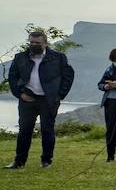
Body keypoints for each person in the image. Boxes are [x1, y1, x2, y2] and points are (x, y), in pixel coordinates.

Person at [6, 29, 75, 169]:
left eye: (37, 42)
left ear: (45, 43)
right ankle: (19, 161)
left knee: (47, 130)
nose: (33, 45)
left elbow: (68, 76)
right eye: (31, 42)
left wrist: (59, 95)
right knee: (24, 130)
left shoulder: (58, 57)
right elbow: (12, 77)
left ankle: (46, 161)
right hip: (27, 99)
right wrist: (20, 94)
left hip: (49, 100)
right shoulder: (20, 57)